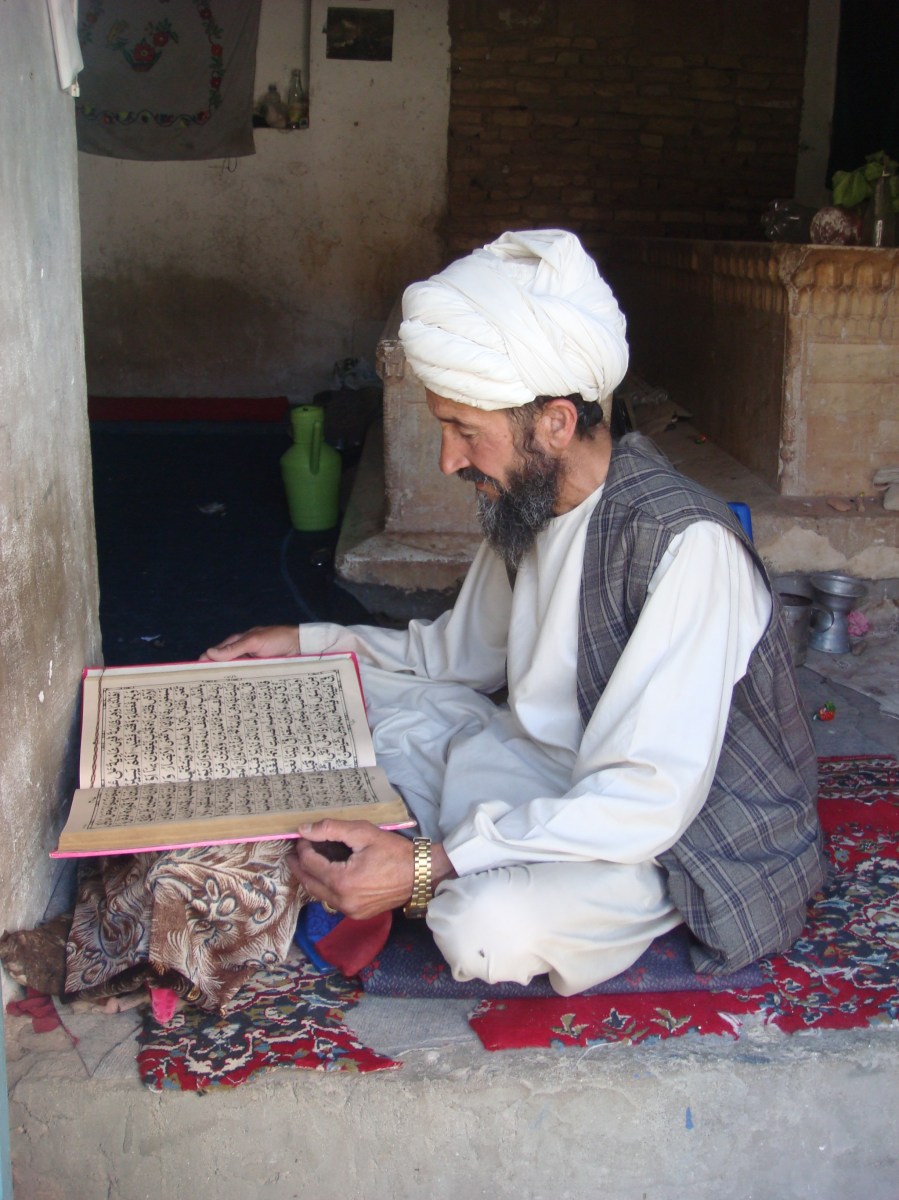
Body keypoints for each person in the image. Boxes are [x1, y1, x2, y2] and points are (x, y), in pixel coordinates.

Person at [202, 229, 823, 996]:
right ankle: (422, 851)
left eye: (465, 432)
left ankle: (427, 864)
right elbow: (451, 659)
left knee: (483, 925)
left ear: (555, 423)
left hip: (664, 832)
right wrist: (304, 642)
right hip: (540, 773)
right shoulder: (529, 503)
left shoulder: (683, 545)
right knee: (329, 704)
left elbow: (645, 798)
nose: (449, 460)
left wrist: (430, 865)